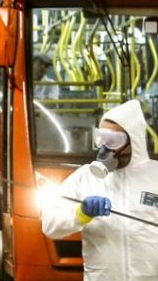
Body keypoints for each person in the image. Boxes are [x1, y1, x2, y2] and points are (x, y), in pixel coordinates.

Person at [41, 99, 158, 281]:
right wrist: (80, 214)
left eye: (114, 140)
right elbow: (50, 225)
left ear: (134, 140)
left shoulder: (155, 176)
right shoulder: (85, 178)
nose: (105, 147)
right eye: (102, 138)